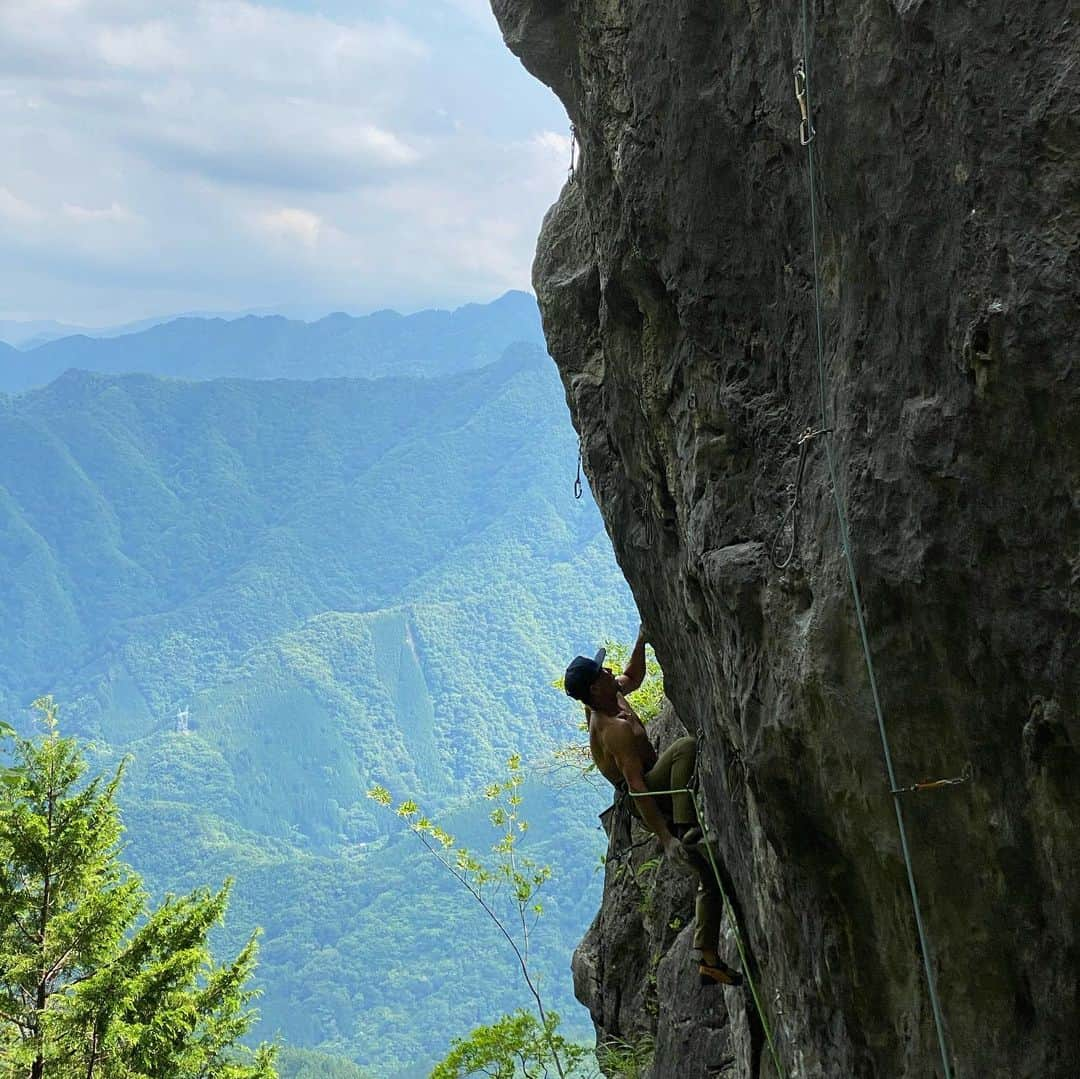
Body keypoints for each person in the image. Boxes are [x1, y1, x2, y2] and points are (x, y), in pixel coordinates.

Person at [563, 628, 743, 987]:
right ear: (594, 690)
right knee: (686, 747)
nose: (608, 672)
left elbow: (633, 677)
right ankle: (685, 826)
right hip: (648, 796)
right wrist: (667, 838)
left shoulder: (607, 697)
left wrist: (643, 639)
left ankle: (706, 956)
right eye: (601, 673)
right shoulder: (611, 729)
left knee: (711, 873)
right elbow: (638, 787)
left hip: (653, 785)